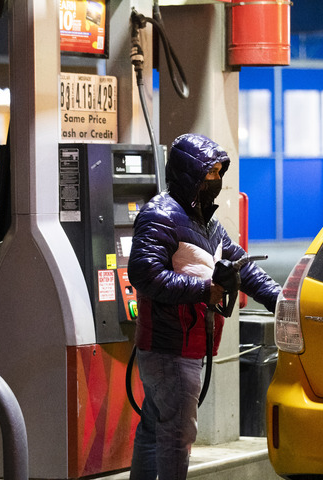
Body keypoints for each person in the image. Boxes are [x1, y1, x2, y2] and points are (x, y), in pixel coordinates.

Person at [127, 133, 280, 480]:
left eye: (218, 172)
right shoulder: (161, 216)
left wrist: (280, 300)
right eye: (208, 173)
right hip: (170, 346)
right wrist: (202, 290)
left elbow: (244, 267)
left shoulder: (207, 225)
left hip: (184, 345)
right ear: (188, 174)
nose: (215, 180)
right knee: (176, 436)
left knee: (156, 428)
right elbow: (144, 273)